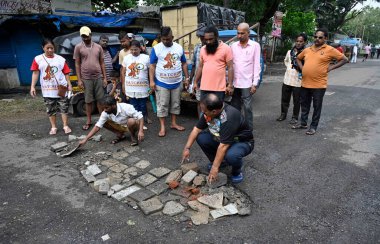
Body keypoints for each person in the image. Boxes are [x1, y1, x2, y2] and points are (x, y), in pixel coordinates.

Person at [181, 93, 254, 184]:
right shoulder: (208, 112)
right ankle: (222, 162)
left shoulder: (229, 117)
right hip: (223, 139)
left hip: (241, 142)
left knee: (232, 156)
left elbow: (223, 146)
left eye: (205, 111)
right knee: (202, 137)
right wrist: (187, 148)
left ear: (214, 111)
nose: (203, 113)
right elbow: (196, 130)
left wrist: (214, 168)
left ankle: (237, 171)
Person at [293, 28, 348, 135]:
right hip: (305, 83)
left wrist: (331, 67)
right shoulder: (308, 49)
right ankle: (303, 123)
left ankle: (313, 127)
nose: (317, 39)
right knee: (304, 105)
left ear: (325, 39)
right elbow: (298, 58)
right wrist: (302, 68)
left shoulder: (330, 49)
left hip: (319, 85)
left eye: (320, 37)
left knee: (316, 107)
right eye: (315, 37)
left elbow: (345, 59)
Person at [149, 26, 189, 137]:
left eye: (168, 39)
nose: (166, 41)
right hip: (161, 82)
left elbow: (184, 63)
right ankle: (162, 127)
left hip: (177, 82)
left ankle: (173, 123)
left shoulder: (179, 48)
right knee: (162, 105)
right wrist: (151, 81)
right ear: (161, 38)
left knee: (176, 104)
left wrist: (187, 78)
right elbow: (152, 66)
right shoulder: (156, 48)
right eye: (164, 39)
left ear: (172, 37)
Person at [30, 38, 72, 135]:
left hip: (61, 88)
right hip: (47, 89)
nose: (50, 50)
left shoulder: (61, 59)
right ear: (43, 48)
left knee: (64, 107)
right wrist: (32, 86)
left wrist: (69, 84)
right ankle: (53, 127)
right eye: (47, 48)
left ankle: (65, 125)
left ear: (54, 48)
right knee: (50, 109)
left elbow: (66, 73)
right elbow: (35, 73)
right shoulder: (38, 59)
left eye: (52, 48)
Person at [74, 26, 107, 131]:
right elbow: (77, 64)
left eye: (87, 36)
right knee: (88, 101)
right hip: (86, 78)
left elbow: (102, 63)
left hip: (98, 77)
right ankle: (89, 121)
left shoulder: (98, 47)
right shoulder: (78, 47)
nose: (85, 38)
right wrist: (79, 80)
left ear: (91, 35)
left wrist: (105, 78)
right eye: (83, 36)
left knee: (100, 100)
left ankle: (101, 120)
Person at [79, 95, 144, 146]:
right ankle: (119, 134)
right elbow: (97, 127)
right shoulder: (105, 112)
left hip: (130, 125)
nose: (105, 110)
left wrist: (141, 131)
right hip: (120, 125)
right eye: (103, 108)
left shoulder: (126, 107)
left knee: (131, 121)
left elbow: (140, 117)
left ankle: (132, 135)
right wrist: (85, 139)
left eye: (107, 107)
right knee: (101, 122)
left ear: (113, 106)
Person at [230, 22, 261, 130]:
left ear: (248, 33)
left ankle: (248, 130)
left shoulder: (255, 46)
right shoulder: (233, 46)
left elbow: (257, 65)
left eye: (242, 33)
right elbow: (230, 65)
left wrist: (255, 83)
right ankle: (236, 128)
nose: (239, 36)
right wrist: (229, 83)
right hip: (235, 82)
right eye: (238, 33)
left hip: (247, 82)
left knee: (247, 107)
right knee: (235, 107)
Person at [194, 25, 234, 102]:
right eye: (206, 40)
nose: (208, 42)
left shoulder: (226, 48)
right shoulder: (203, 49)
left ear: (216, 37)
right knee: (204, 110)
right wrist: (195, 82)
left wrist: (230, 85)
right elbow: (200, 67)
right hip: (204, 88)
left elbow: (230, 67)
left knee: (217, 111)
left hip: (219, 89)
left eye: (210, 39)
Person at [277, 33, 307, 124]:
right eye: (297, 41)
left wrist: (299, 70)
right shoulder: (290, 52)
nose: (298, 43)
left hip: (298, 81)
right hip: (287, 79)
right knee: (284, 99)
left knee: (297, 101)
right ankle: (283, 114)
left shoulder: (305, 53)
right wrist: (289, 68)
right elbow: (286, 61)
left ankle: (295, 117)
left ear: (304, 42)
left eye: (301, 41)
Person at [121, 40, 151, 125]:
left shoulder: (146, 58)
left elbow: (150, 71)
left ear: (140, 49)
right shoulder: (127, 58)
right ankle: (137, 121)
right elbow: (123, 72)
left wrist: (151, 83)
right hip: (130, 87)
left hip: (143, 87)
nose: (134, 51)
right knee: (134, 105)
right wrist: (123, 84)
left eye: (136, 49)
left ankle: (145, 117)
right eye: (132, 49)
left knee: (143, 105)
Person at [189, 26, 206, 117]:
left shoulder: (214, 48)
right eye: (201, 37)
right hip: (198, 81)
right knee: (199, 102)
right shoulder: (197, 47)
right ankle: (201, 121)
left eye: (204, 37)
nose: (202, 39)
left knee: (210, 102)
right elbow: (194, 65)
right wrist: (191, 80)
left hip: (210, 81)